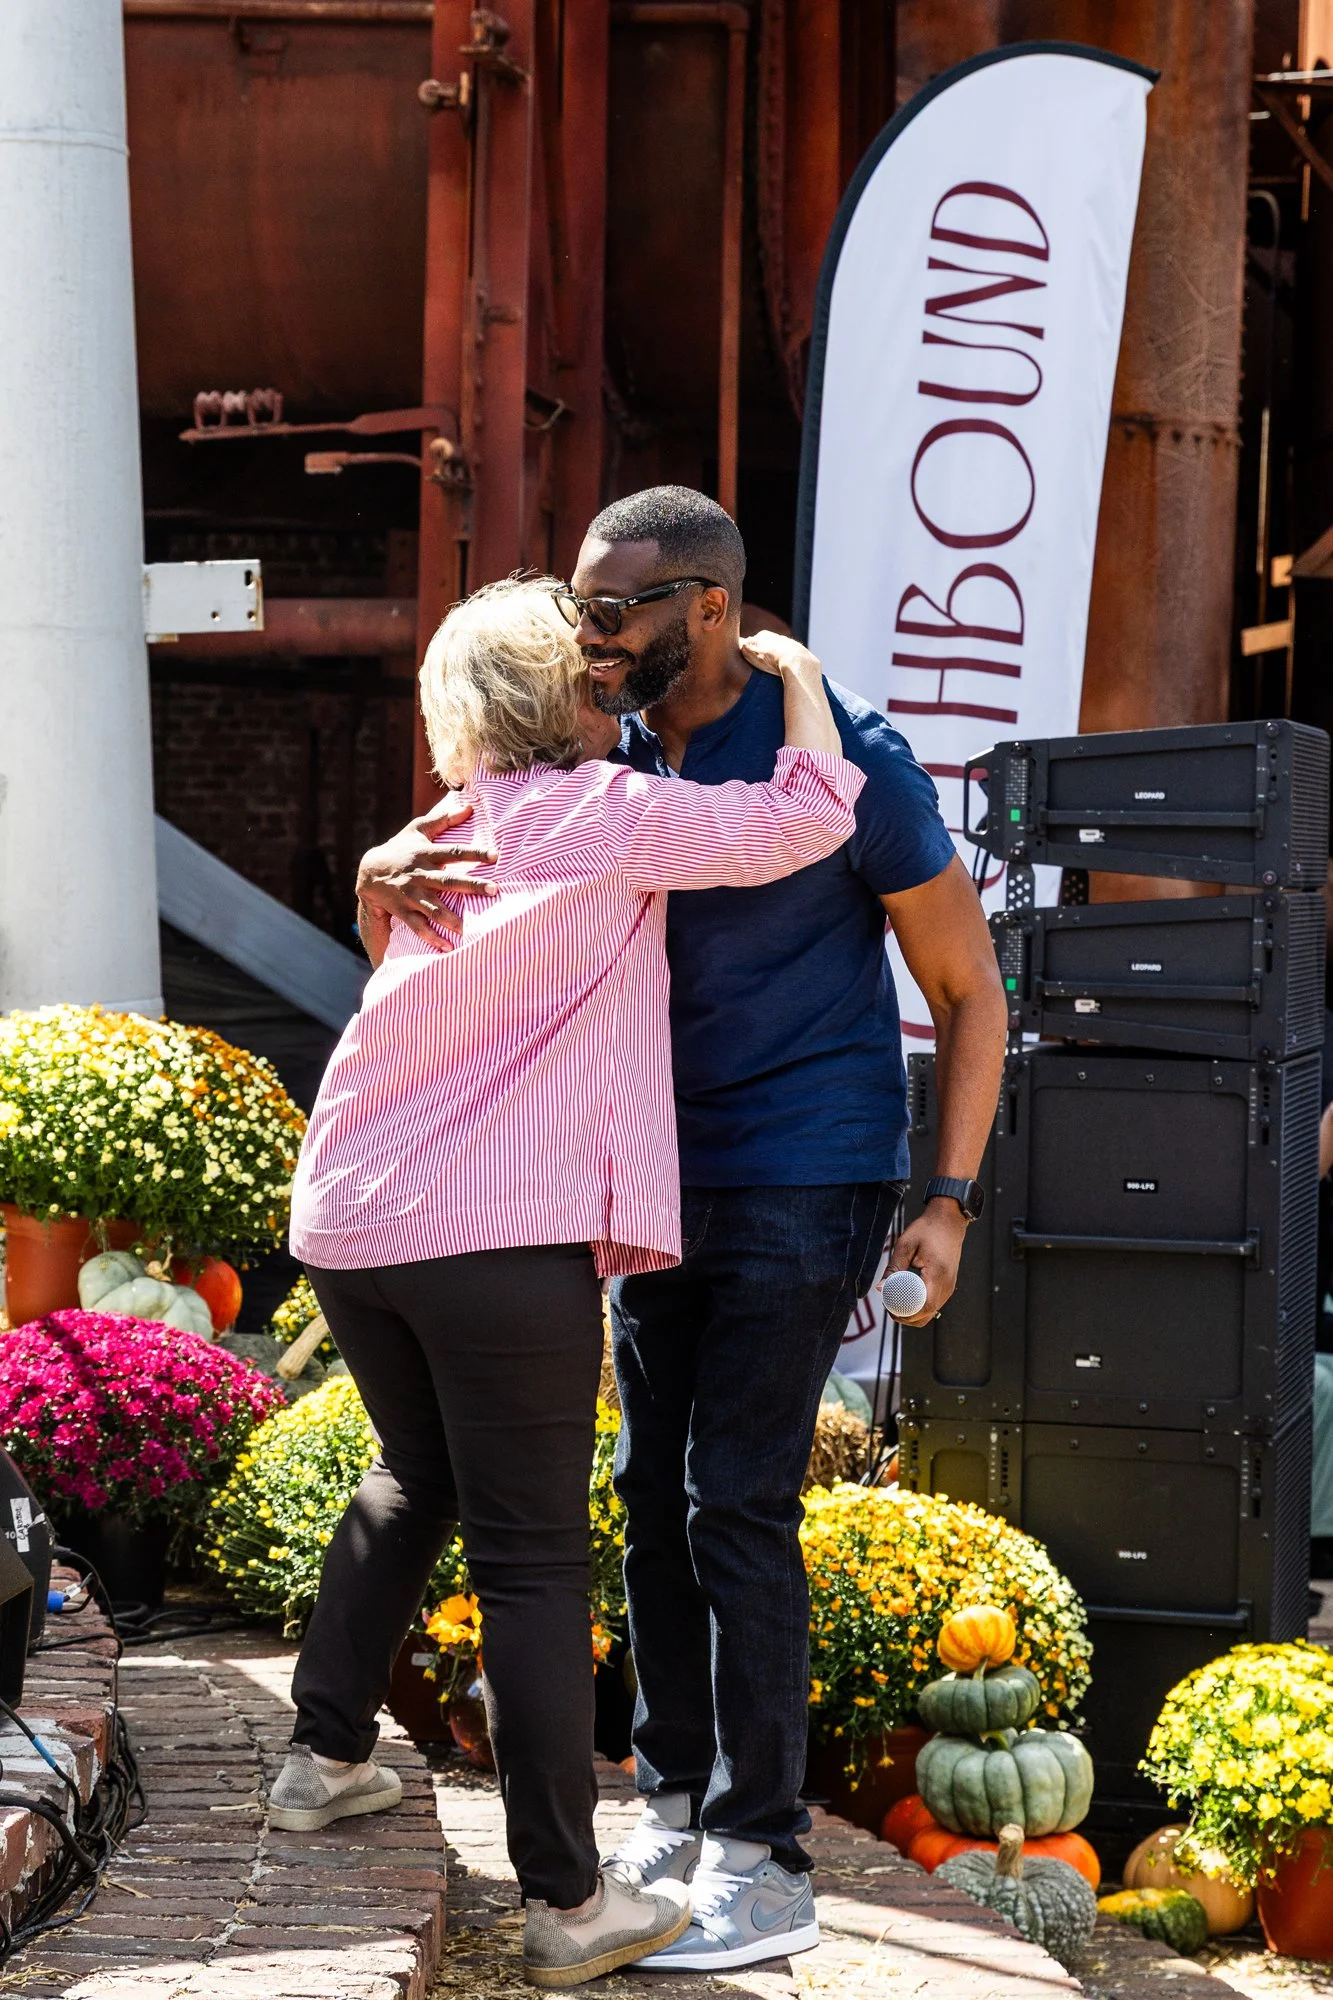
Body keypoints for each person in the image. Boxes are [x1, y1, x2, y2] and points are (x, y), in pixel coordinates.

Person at [357, 489, 1008, 1974]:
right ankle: (671, 1804)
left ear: (710, 608)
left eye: (616, 610)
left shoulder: (848, 761)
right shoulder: (602, 746)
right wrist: (372, 878)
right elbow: (438, 919)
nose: (586, 637)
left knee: (738, 1501)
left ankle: (763, 1852)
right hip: (642, 1184)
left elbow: (973, 993)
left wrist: (950, 1200)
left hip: (808, 1174)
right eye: (579, 608)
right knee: (651, 1493)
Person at [267, 575, 867, 1991]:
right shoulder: (600, 815)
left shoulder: (433, 834)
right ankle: (569, 1902)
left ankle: (321, 1754)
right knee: (533, 1554)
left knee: (414, 1476)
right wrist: (800, 676)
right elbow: (808, 814)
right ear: (573, 698)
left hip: (353, 1215)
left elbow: (396, 959)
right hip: (494, 1233)